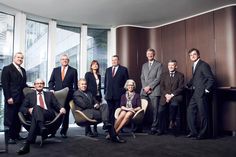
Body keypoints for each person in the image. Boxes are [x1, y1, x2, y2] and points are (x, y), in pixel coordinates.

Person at [17, 79, 66, 155]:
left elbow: (56, 104)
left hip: (48, 114)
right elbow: (22, 108)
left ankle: (29, 142)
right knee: (36, 111)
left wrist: (61, 108)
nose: (39, 85)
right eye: (37, 83)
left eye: (41, 83)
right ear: (34, 85)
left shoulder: (49, 94)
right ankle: (41, 129)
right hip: (34, 115)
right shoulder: (29, 95)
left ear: (43, 85)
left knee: (36, 108)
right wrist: (29, 109)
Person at [73, 79, 126, 143]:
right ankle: (113, 135)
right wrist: (94, 106)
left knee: (105, 106)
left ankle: (106, 124)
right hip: (84, 113)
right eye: (82, 84)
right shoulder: (76, 94)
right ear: (78, 86)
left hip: (93, 110)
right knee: (107, 115)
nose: (84, 85)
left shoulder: (89, 92)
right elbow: (84, 105)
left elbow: (95, 101)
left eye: (85, 84)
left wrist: (97, 104)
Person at [186, 48, 215, 140]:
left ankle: (203, 134)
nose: (192, 56)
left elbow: (211, 79)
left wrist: (206, 91)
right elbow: (196, 78)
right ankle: (194, 132)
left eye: (194, 54)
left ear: (198, 55)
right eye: (190, 55)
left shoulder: (203, 65)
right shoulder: (194, 65)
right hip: (195, 93)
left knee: (203, 114)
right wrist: (187, 84)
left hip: (202, 93)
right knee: (190, 111)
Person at [48, 54, 78, 138]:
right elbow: (51, 82)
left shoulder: (73, 71)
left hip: (68, 96)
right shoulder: (55, 70)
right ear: (60, 61)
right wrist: (51, 89)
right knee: (55, 114)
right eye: (63, 59)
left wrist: (74, 96)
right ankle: (52, 132)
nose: (64, 60)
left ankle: (63, 131)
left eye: (66, 59)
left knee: (65, 113)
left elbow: (75, 85)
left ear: (68, 61)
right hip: (56, 96)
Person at [1, 52, 27, 144]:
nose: (20, 59)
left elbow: (23, 85)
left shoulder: (23, 70)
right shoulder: (7, 69)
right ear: (14, 58)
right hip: (11, 98)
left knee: (18, 118)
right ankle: (9, 138)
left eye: (21, 58)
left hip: (21, 98)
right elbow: (5, 85)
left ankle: (16, 135)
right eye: (18, 57)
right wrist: (8, 97)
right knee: (10, 118)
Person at [157, 60, 184, 136]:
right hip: (165, 96)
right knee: (160, 111)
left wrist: (171, 95)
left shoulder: (180, 75)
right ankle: (161, 129)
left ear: (176, 66)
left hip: (175, 96)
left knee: (174, 106)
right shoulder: (163, 75)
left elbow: (181, 88)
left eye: (172, 65)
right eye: (169, 65)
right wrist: (166, 95)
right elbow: (161, 87)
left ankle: (173, 124)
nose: (171, 67)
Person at [140, 48, 163, 134]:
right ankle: (141, 126)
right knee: (142, 109)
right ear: (146, 55)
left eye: (151, 53)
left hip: (154, 91)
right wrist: (145, 87)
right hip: (144, 91)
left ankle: (154, 127)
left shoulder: (159, 65)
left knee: (155, 110)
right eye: (148, 53)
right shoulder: (144, 65)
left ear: (154, 54)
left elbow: (158, 78)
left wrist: (149, 87)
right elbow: (142, 77)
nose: (150, 55)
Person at [104, 55, 129, 125]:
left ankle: (117, 126)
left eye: (115, 60)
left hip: (119, 95)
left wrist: (123, 94)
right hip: (109, 95)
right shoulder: (108, 70)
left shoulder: (124, 69)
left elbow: (127, 83)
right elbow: (106, 82)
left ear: (118, 61)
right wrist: (105, 93)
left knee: (117, 112)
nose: (114, 61)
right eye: (112, 60)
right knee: (110, 112)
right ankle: (110, 126)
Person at [84, 60, 102, 137]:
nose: (95, 65)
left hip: (97, 96)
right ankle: (87, 130)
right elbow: (86, 86)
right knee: (89, 111)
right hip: (90, 95)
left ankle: (95, 129)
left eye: (96, 64)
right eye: (93, 64)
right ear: (91, 66)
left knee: (96, 112)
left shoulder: (99, 75)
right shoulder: (88, 74)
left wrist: (100, 96)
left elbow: (99, 87)